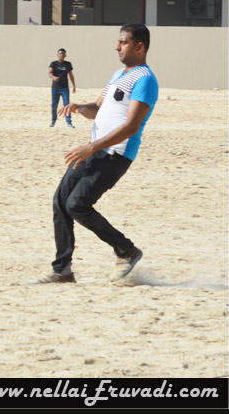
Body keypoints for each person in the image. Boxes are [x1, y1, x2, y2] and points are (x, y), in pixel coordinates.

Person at [32, 23, 159, 284]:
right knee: (61, 200)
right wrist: (79, 107)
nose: (116, 47)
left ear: (139, 46)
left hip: (115, 155)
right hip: (96, 150)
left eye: (123, 42)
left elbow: (131, 126)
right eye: (118, 41)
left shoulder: (145, 80)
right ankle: (62, 270)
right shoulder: (118, 75)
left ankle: (126, 250)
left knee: (77, 205)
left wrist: (91, 147)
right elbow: (98, 109)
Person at [48, 48, 76, 128]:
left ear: (65, 55)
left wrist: (74, 86)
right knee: (54, 105)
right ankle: (53, 121)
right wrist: (53, 77)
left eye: (63, 54)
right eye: (60, 53)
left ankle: (69, 122)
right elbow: (49, 73)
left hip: (64, 88)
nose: (61, 55)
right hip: (55, 88)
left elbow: (71, 75)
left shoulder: (68, 64)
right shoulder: (53, 63)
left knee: (67, 105)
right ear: (57, 55)